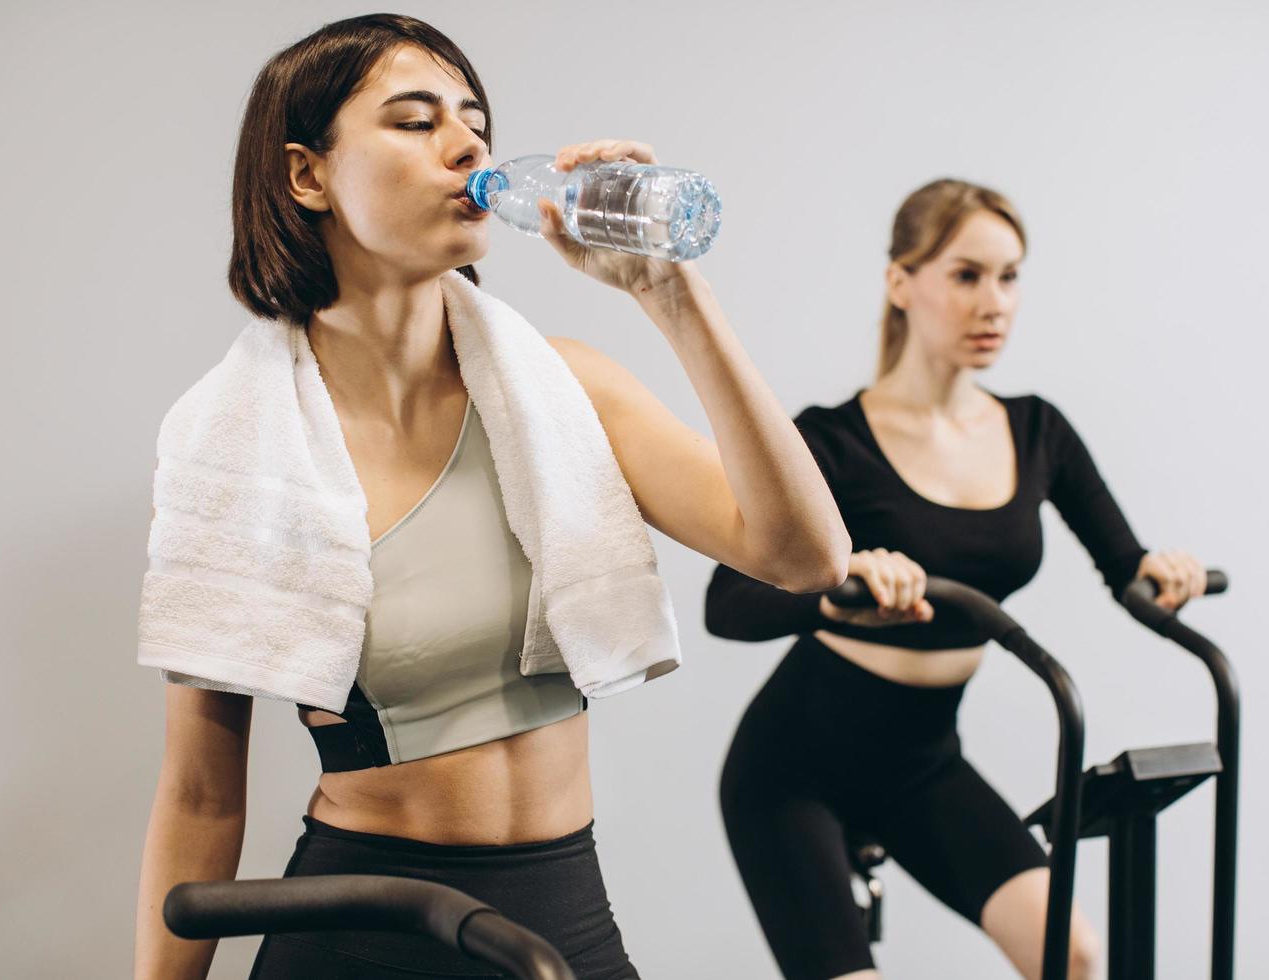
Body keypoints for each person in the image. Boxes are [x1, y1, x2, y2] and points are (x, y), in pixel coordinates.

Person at [132, 14, 848, 979]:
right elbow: (201, 797)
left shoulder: (564, 391)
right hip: (364, 927)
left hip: (562, 917)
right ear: (308, 175)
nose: (469, 145)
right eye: (416, 121)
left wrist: (669, 294)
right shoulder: (236, 446)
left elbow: (805, 559)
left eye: (473, 119)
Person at [705, 178, 1208, 980]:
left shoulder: (1036, 429)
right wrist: (835, 584)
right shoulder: (831, 443)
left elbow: (1127, 568)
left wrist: (1161, 572)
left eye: (1009, 278)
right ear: (901, 282)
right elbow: (724, 605)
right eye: (967, 275)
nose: (995, 302)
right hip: (794, 771)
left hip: (924, 763)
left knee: (1072, 953)